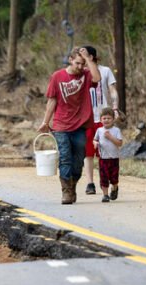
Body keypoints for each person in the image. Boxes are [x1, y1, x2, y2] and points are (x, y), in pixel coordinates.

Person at [39, 47, 101, 204]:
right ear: (70, 60)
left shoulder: (86, 75)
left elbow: (97, 78)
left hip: (81, 124)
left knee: (79, 160)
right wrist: (46, 122)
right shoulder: (57, 76)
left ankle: (72, 184)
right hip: (61, 124)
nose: (80, 67)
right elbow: (52, 100)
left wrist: (88, 59)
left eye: (83, 64)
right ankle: (66, 191)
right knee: (65, 157)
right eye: (78, 63)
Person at [81, 45, 120, 196]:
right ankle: (90, 183)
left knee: (106, 152)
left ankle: (111, 182)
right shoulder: (81, 73)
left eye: (84, 55)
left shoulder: (105, 71)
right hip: (87, 118)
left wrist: (115, 108)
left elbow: (112, 90)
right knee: (88, 152)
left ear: (90, 57)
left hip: (104, 118)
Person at [93, 108, 123, 202]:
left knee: (114, 178)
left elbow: (119, 143)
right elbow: (95, 139)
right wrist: (95, 143)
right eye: (104, 118)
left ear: (113, 119)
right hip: (103, 158)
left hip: (114, 158)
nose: (106, 120)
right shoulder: (99, 130)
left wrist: (110, 137)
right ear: (101, 120)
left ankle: (115, 188)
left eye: (109, 118)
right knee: (104, 177)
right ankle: (105, 195)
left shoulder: (116, 130)